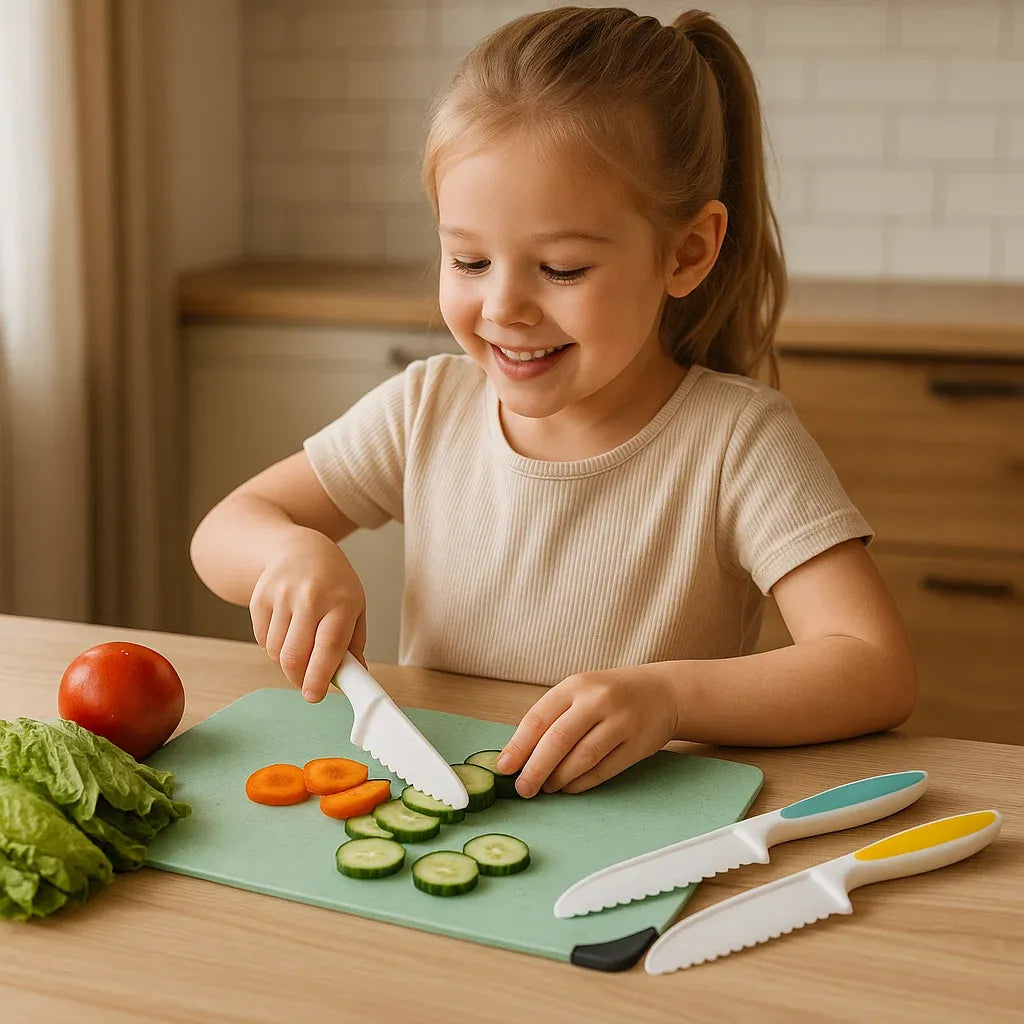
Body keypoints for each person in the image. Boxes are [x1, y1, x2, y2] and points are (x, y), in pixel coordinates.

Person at [190, 7, 917, 801]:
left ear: (687, 252)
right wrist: (292, 553)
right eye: (468, 259)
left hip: (637, 824)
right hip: (444, 804)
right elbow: (226, 528)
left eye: (562, 269)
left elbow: (872, 666)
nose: (503, 307)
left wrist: (671, 698)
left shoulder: (738, 441)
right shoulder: (425, 407)